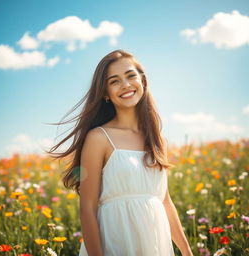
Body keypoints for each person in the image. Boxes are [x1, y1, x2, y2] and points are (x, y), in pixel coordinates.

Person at [46, 50, 193, 256]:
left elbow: (164, 201)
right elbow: (87, 209)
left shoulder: (157, 139)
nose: (125, 84)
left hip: (154, 244)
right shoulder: (98, 138)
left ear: (142, 80)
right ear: (105, 93)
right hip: (114, 242)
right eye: (114, 81)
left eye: (131, 76)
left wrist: (187, 252)